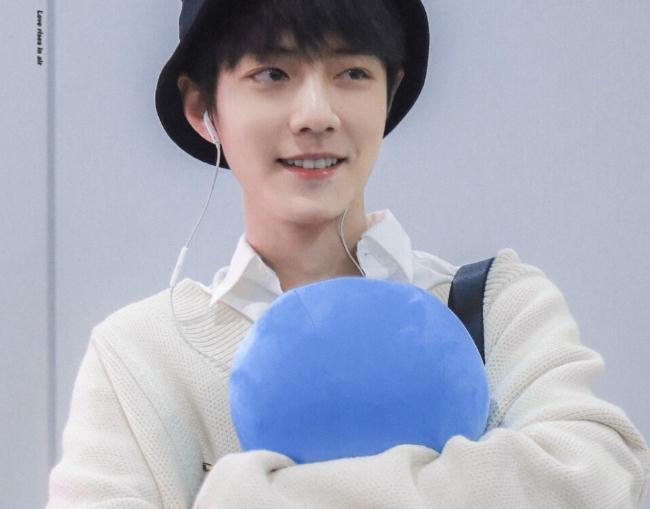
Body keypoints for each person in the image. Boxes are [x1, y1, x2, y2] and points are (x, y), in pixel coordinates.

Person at [47, 0, 650, 508]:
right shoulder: (142, 358)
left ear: (391, 92)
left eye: (353, 72)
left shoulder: (496, 308)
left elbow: (596, 477)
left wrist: (240, 493)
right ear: (203, 107)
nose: (317, 115)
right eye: (272, 73)